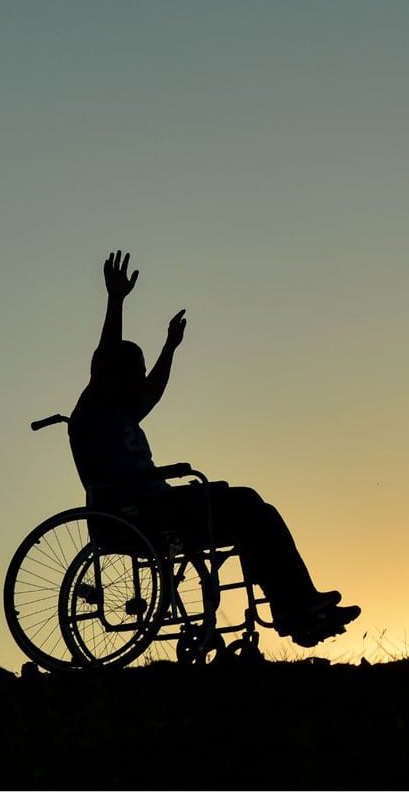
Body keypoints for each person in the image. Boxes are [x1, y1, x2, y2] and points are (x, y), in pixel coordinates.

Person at [67, 250, 359, 647]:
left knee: (251, 510)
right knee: (243, 505)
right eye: (134, 371)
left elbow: (152, 391)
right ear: (116, 374)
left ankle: (296, 606)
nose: (140, 379)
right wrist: (116, 300)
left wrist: (170, 347)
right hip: (130, 514)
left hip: (152, 507)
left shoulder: (123, 411)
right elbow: (106, 359)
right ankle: (294, 606)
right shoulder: (96, 405)